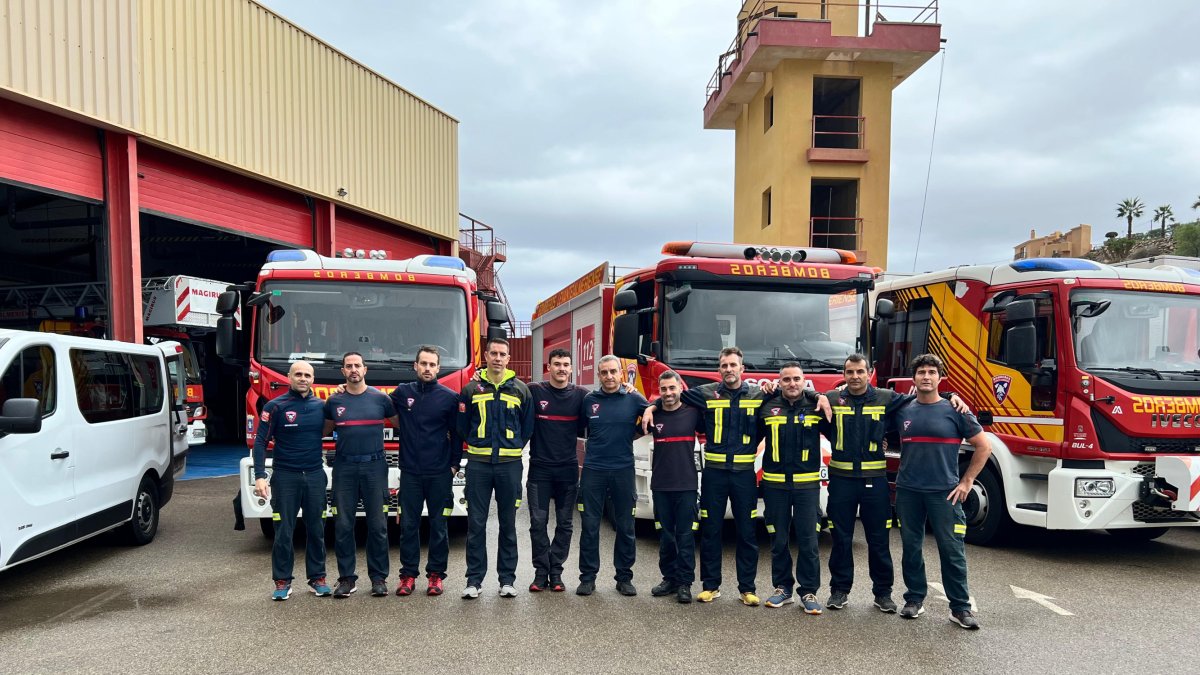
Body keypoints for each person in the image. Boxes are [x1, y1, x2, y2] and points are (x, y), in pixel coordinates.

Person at [823, 353, 969, 613]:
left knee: (878, 540)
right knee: (841, 538)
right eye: (850, 372)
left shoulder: (886, 398)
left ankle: (883, 594)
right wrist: (816, 396)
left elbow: (923, 397)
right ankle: (839, 590)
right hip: (841, 481)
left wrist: (950, 395)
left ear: (869, 373)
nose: (855, 377)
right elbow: (804, 398)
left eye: (860, 371)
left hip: (875, 481)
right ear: (843, 375)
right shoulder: (833, 399)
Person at [892, 353, 991, 629]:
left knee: (952, 549)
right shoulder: (903, 410)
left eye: (931, 373)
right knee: (911, 548)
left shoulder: (956, 410)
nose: (926, 377)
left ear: (939, 378)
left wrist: (967, 481)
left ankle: (959, 607)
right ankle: (914, 600)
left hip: (945, 493)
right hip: (909, 490)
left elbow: (984, 446)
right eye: (921, 372)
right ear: (914, 378)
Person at [458, 338, 535, 599]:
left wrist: (512, 447)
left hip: (509, 466)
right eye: (494, 353)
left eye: (503, 354)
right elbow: (461, 425)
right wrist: (477, 445)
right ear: (487, 357)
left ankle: (507, 580)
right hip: (478, 465)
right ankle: (474, 581)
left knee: (508, 524)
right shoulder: (471, 390)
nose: (498, 358)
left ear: (508, 358)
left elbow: (528, 427)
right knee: (476, 523)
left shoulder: (521, 390)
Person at [252, 360, 330, 601]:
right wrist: (259, 477)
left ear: (313, 379)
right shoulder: (275, 407)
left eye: (307, 374)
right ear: (289, 377)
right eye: (298, 374)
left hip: (315, 475)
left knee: (317, 529)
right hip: (285, 477)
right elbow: (260, 443)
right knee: (284, 531)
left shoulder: (322, 407)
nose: (303, 378)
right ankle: (282, 580)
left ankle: (317, 578)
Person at [323, 352, 398, 598]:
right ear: (343, 371)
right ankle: (347, 579)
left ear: (365, 369)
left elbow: (405, 425)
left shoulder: (381, 400)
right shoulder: (334, 402)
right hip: (344, 467)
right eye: (348, 366)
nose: (353, 369)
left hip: (374, 467)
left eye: (357, 365)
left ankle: (378, 578)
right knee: (343, 524)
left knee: (378, 526)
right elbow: (320, 431)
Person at [390, 346, 461, 598]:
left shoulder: (449, 398)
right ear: (415, 366)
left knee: (438, 525)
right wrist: (344, 389)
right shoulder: (402, 393)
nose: (427, 368)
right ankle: (408, 575)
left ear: (438, 368)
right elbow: (375, 401)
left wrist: (454, 466)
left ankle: (435, 576)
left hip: (440, 473)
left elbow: (457, 436)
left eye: (432, 365)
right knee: (408, 526)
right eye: (423, 364)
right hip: (410, 473)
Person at [758, 363, 828, 615]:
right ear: (779, 382)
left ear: (804, 381)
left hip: (807, 484)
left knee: (808, 540)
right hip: (775, 483)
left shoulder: (817, 406)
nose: (792, 383)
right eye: (786, 379)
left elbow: (837, 432)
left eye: (796, 379)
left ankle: (809, 591)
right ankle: (782, 588)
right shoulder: (766, 405)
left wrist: (818, 395)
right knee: (778, 538)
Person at [576, 355, 648, 597]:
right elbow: (577, 428)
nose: (608, 376)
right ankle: (587, 578)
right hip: (594, 470)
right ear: (599, 375)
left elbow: (653, 414)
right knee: (589, 526)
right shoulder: (589, 401)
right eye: (604, 372)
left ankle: (624, 578)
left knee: (626, 526)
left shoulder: (633, 399)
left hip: (623, 470)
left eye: (612, 372)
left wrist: (634, 433)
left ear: (621, 373)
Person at [525, 349, 587, 593]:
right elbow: (506, 388)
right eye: (557, 364)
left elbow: (607, 397)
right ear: (548, 367)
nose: (562, 368)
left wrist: (628, 389)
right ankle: (541, 573)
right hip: (539, 471)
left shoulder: (582, 396)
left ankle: (556, 572)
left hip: (567, 471)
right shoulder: (534, 390)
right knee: (537, 523)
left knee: (565, 523)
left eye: (566, 364)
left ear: (571, 369)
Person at [647, 370, 703, 604]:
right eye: (664, 389)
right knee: (666, 536)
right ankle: (668, 578)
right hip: (660, 486)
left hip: (687, 485)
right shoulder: (654, 415)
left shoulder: (693, 414)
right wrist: (651, 407)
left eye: (672, 388)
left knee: (686, 535)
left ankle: (684, 583)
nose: (668, 393)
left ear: (680, 388)